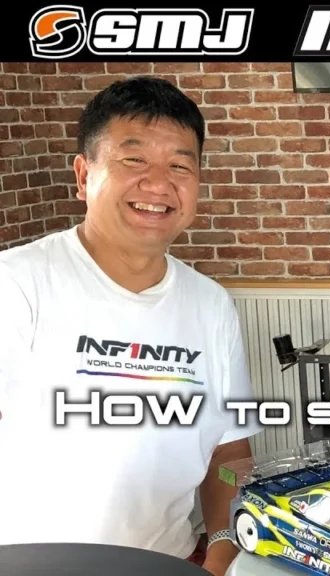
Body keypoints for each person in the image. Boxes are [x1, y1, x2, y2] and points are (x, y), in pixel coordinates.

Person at [0, 76, 262, 575]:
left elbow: (228, 452)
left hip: (169, 561)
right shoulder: (15, 285)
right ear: (83, 175)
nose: (159, 184)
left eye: (180, 165)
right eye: (133, 159)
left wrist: (222, 550)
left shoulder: (211, 304)